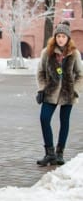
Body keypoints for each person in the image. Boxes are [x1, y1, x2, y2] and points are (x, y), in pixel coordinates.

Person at [36, 21, 83, 166]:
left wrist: (75, 89)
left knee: (64, 122)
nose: (60, 39)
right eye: (58, 36)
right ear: (55, 37)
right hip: (50, 92)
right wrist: (42, 88)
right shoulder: (47, 52)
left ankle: (59, 153)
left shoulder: (74, 54)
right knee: (44, 119)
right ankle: (49, 153)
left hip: (67, 93)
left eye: (63, 36)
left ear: (68, 38)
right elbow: (40, 72)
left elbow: (80, 74)